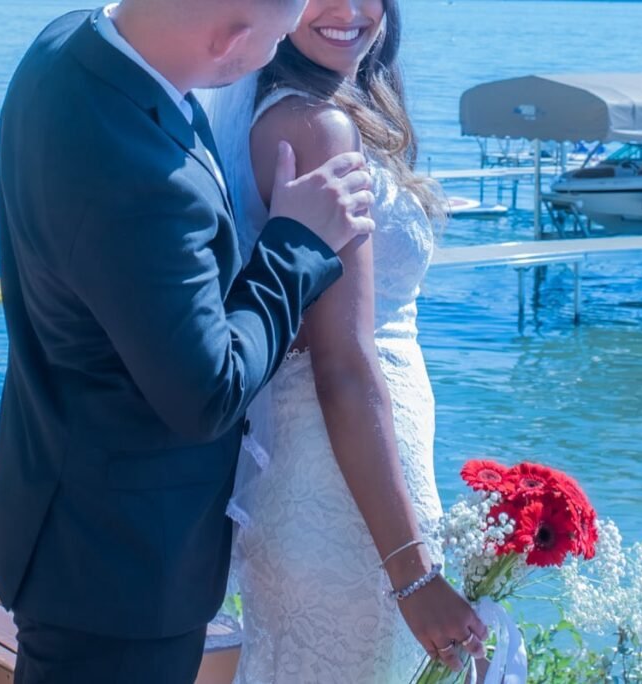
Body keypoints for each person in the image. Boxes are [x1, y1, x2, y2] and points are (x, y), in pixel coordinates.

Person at [0, 0, 375, 681]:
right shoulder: (141, 178)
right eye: (276, 38)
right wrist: (296, 244)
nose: (276, 56)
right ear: (229, 40)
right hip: (122, 572)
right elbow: (207, 393)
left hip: (62, 518)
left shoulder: (69, 44)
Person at [204, 0, 488, 679]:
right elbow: (344, 368)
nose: (350, 9)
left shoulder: (309, 108)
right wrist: (415, 577)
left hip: (336, 484)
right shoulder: (316, 127)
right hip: (344, 500)